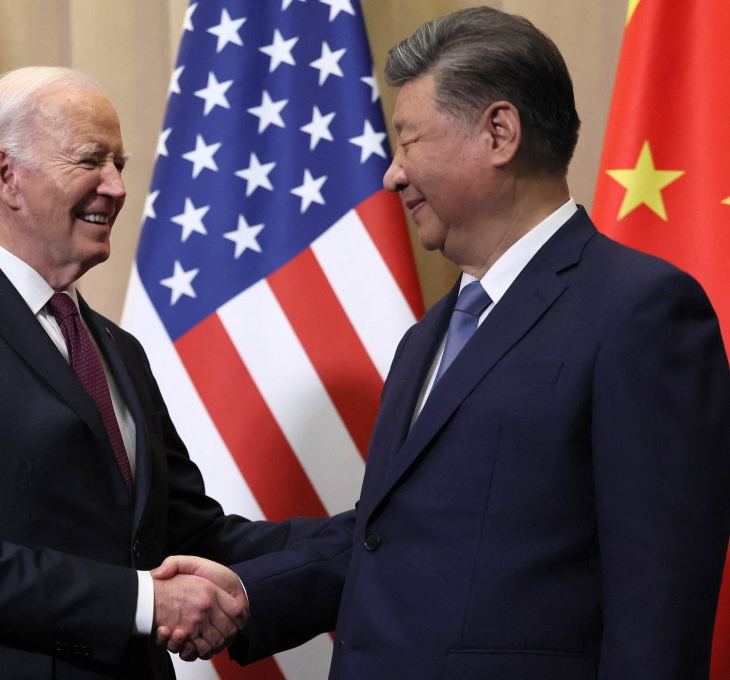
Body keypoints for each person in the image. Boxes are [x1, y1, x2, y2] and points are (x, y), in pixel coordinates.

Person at [155, 6, 730, 678]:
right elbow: (390, 535)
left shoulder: (641, 310)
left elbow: (659, 595)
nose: (392, 175)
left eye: (409, 142)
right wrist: (246, 593)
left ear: (499, 132)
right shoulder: (428, 335)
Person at [0, 66, 322, 680]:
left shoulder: (118, 350)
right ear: (5, 174)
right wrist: (145, 603)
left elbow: (189, 534)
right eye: (90, 161)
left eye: (119, 163)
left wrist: (372, 532)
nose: (117, 186)